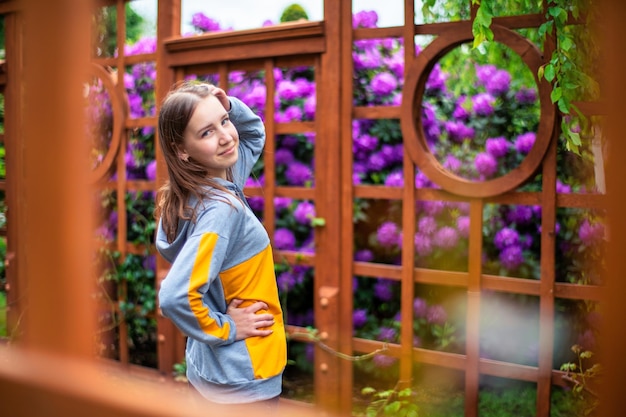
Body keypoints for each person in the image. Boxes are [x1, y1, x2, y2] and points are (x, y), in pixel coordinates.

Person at [155, 81, 286, 407]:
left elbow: (254, 133)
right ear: (181, 150)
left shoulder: (210, 184)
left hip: (214, 371)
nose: (226, 136)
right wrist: (227, 328)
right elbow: (173, 297)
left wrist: (226, 104)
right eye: (206, 132)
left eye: (224, 122)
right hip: (244, 377)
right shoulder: (221, 210)